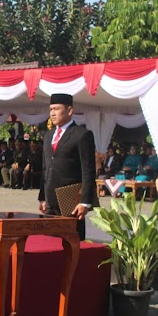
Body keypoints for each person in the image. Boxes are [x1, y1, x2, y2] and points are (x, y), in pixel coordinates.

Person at [38, 93, 98, 240]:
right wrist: (42, 197)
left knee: (71, 243)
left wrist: (85, 201)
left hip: (71, 199)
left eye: (57, 109)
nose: (52, 113)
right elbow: (45, 168)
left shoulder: (82, 135)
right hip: (50, 200)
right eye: (51, 109)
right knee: (48, 242)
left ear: (69, 110)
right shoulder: (48, 136)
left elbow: (88, 171)